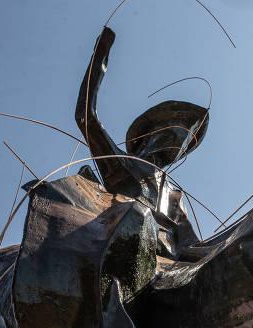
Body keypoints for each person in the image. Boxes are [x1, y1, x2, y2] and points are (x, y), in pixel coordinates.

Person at [75, 27, 208, 256]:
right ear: (151, 134)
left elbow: (189, 247)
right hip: (120, 251)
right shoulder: (124, 163)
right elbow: (86, 117)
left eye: (186, 139)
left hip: (165, 263)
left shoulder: (174, 194)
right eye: (178, 131)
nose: (181, 141)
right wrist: (100, 56)